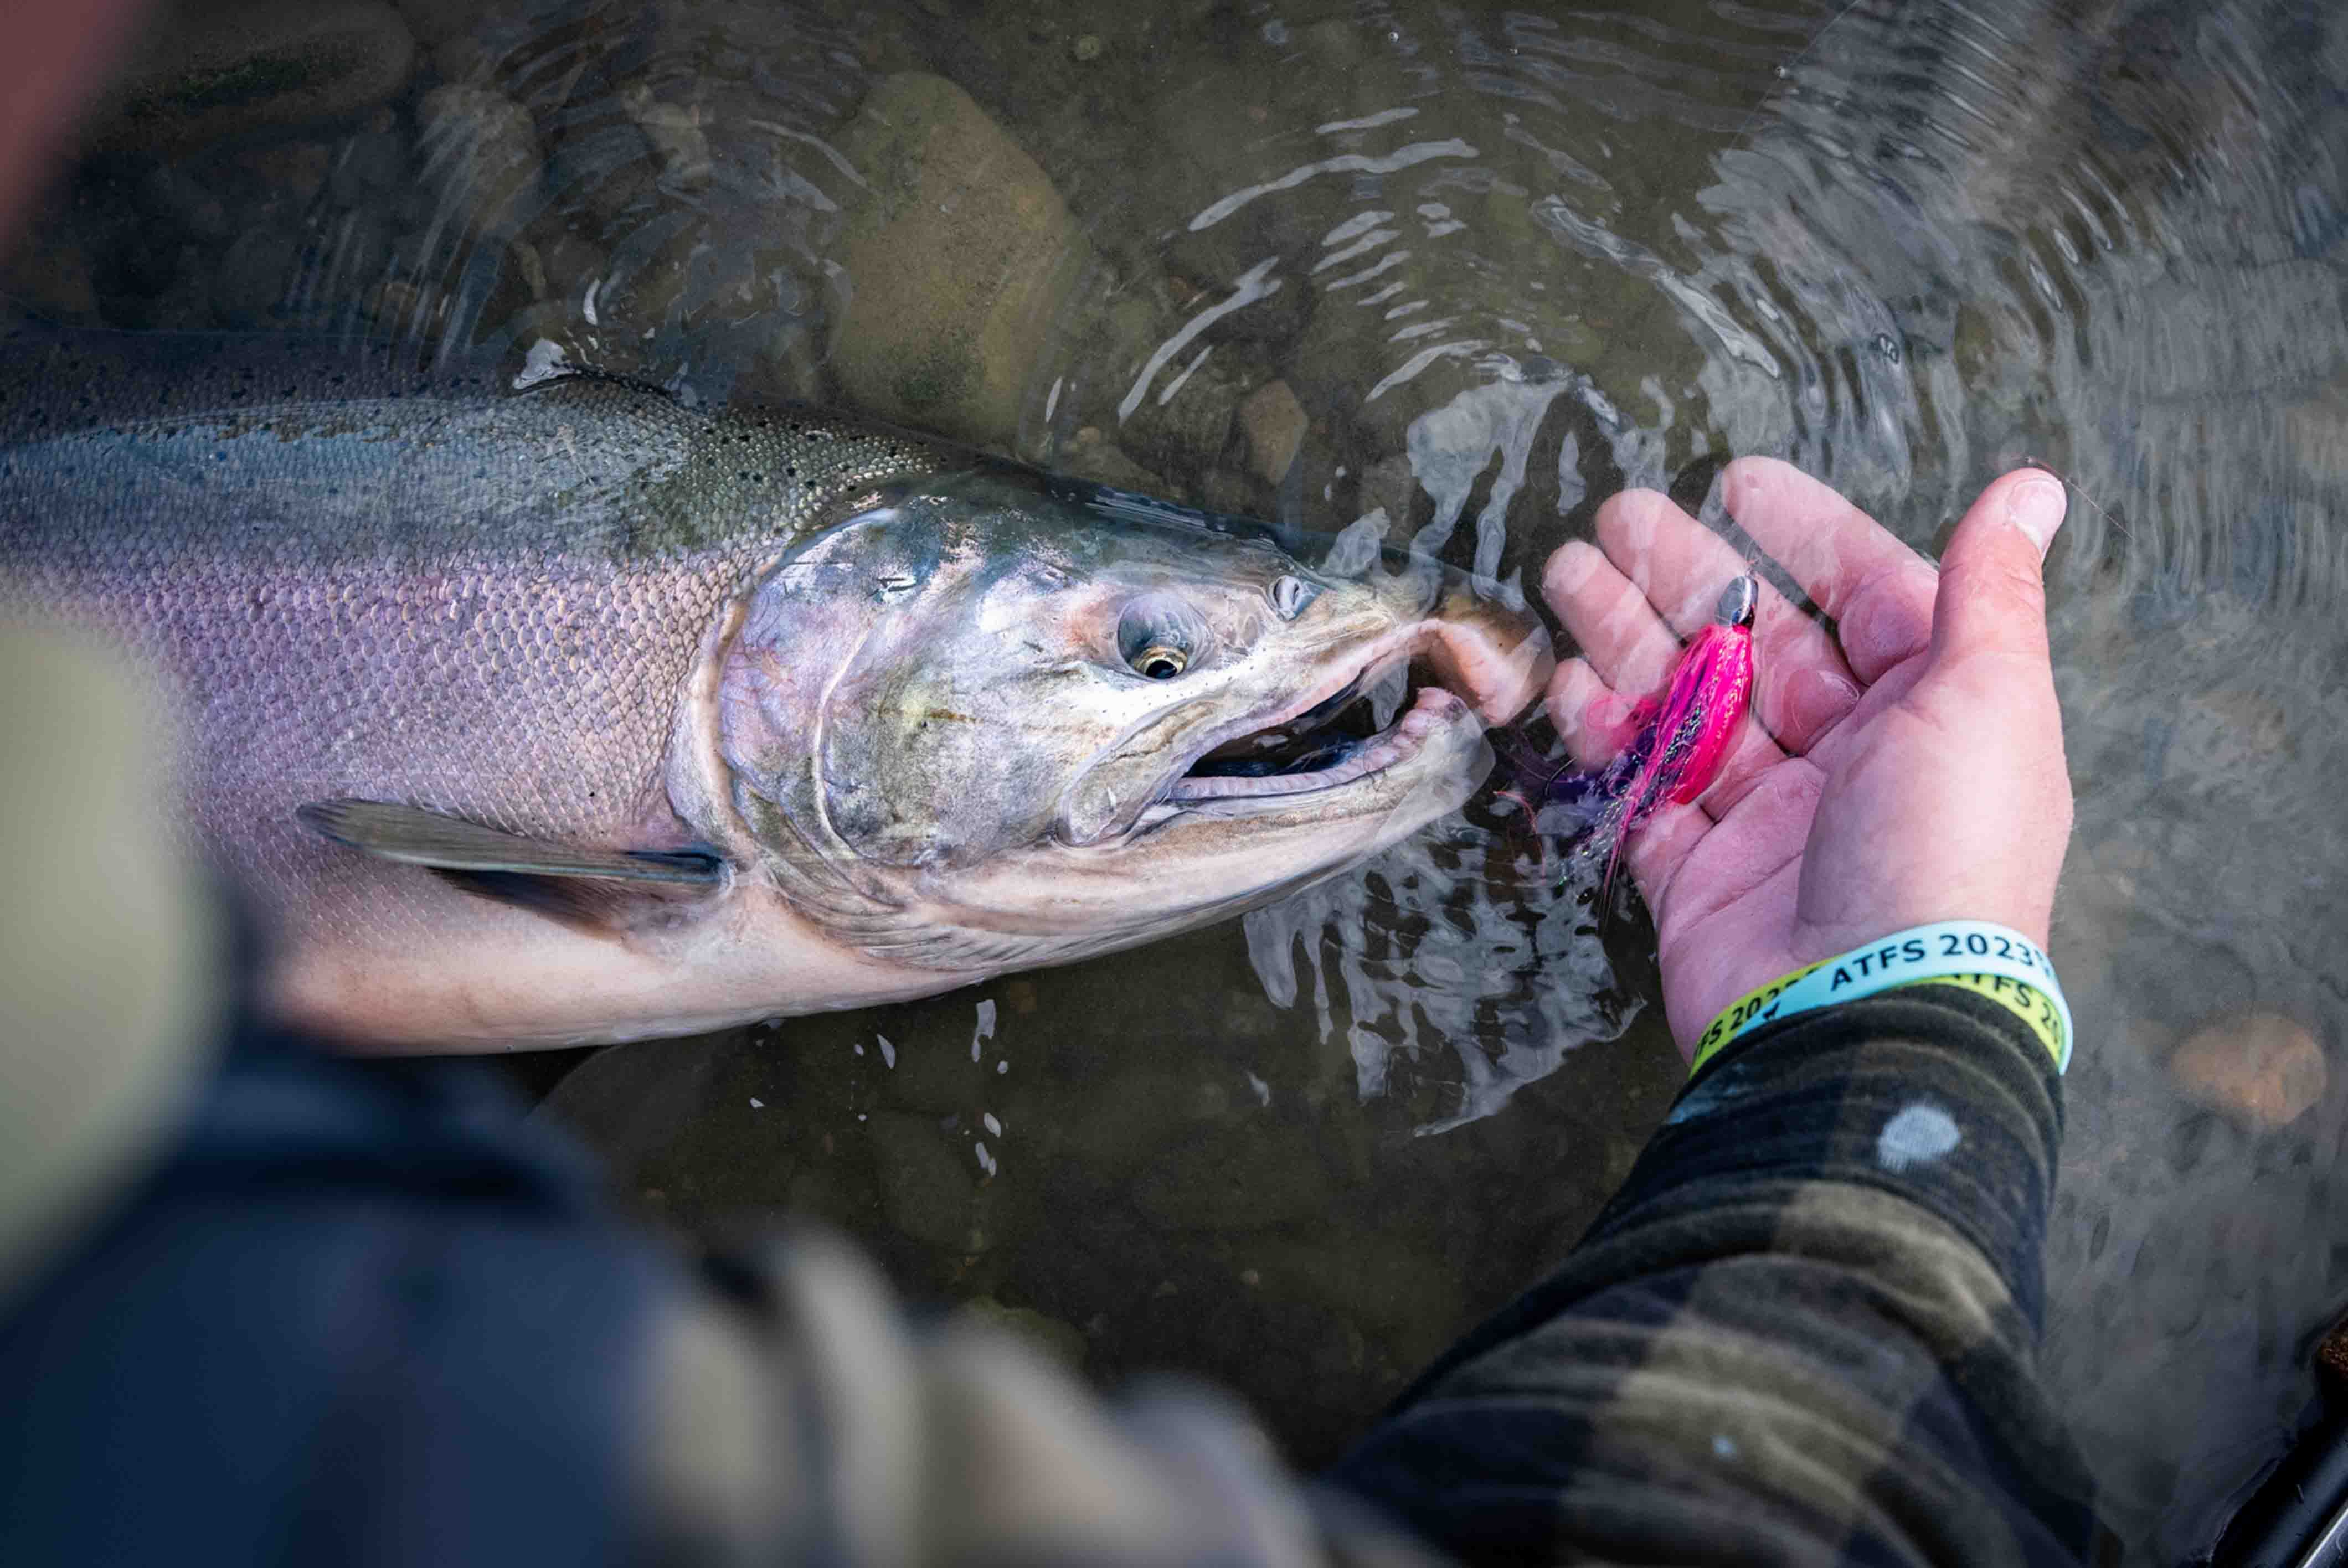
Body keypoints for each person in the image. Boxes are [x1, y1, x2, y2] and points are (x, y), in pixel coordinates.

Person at [0, 429, 2103, 1561]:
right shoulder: (302, 1357)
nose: (1199, 675)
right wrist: (1908, 1004)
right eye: (1149, 647)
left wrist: (1864, 982)